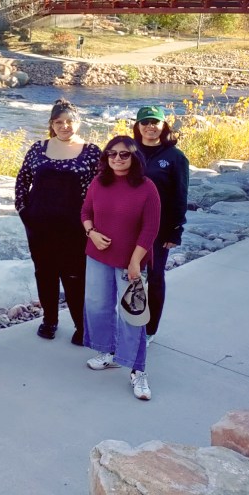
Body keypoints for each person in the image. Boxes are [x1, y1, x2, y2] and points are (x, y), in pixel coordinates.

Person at [81, 136, 161, 401]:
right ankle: (108, 352)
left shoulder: (147, 188)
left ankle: (138, 370)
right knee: (97, 307)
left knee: (133, 316)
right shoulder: (98, 182)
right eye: (111, 154)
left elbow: (150, 229)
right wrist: (91, 233)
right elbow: (85, 213)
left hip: (131, 262)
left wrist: (136, 261)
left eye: (124, 155)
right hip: (97, 256)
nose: (117, 158)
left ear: (134, 157)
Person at [15, 99, 101, 344]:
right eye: (59, 122)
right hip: (40, 228)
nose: (65, 126)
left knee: (75, 277)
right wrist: (25, 213)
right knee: (45, 274)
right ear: (51, 124)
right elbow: (22, 182)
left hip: (76, 230)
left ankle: (80, 325)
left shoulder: (92, 151)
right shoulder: (38, 148)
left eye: (69, 121)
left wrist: (92, 224)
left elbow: (101, 189)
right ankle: (49, 320)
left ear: (78, 122)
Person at [132, 105, 189, 342]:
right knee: (130, 274)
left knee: (155, 277)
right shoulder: (129, 151)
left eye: (155, 122)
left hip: (159, 228)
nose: (150, 127)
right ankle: (129, 319)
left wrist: (176, 230)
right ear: (138, 126)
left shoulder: (175, 157)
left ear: (164, 126)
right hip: (129, 225)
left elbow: (180, 194)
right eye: (145, 122)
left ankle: (150, 328)